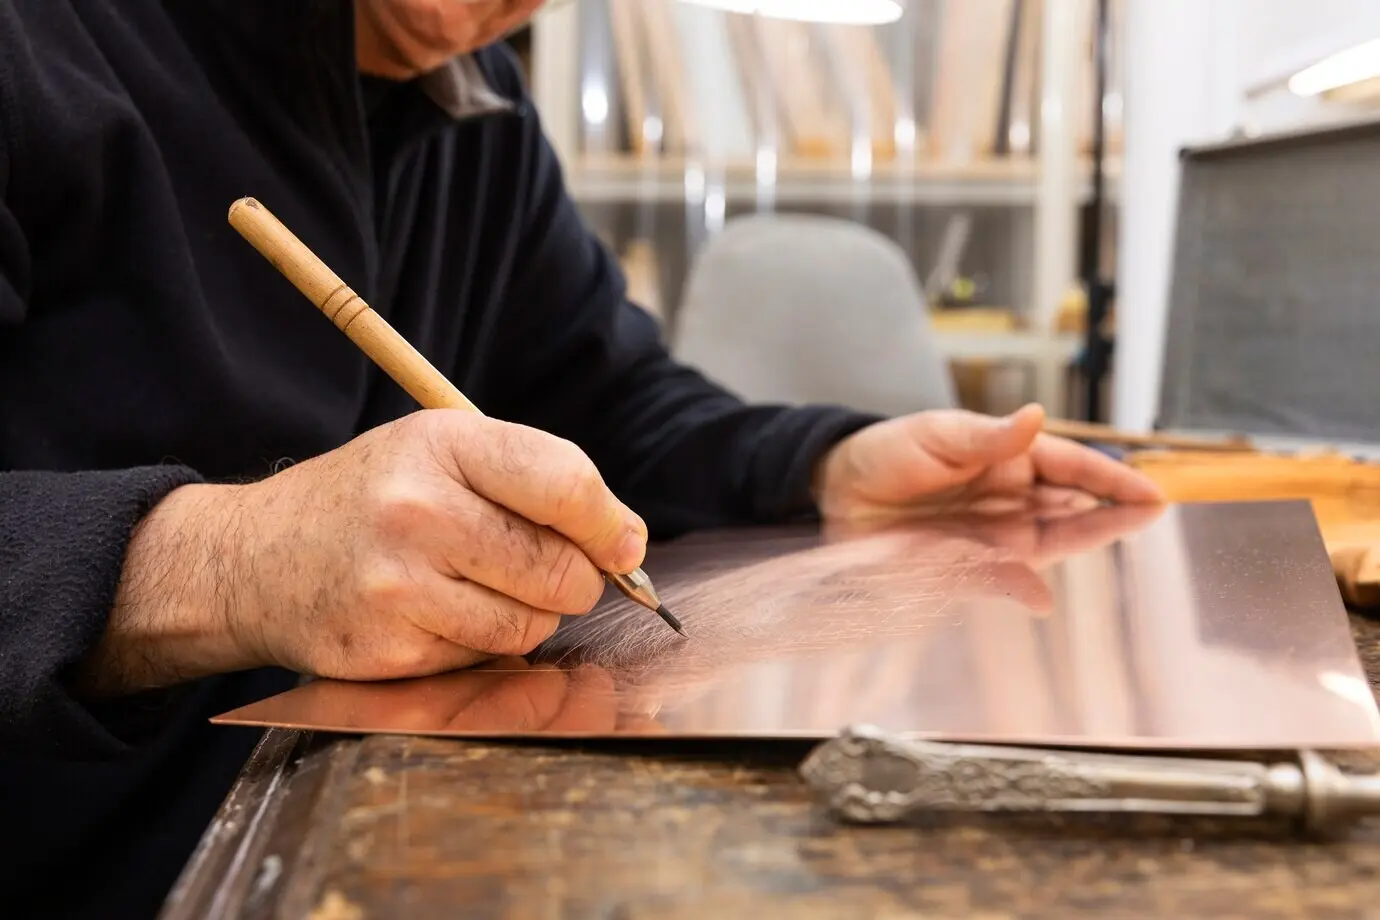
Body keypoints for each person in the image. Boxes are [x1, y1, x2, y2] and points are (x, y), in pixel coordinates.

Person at [0, 1, 1163, 916]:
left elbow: (614, 400)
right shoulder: (43, 42)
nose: (475, 15)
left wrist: (830, 458)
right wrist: (227, 562)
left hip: (353, 829)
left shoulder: (481, 108)